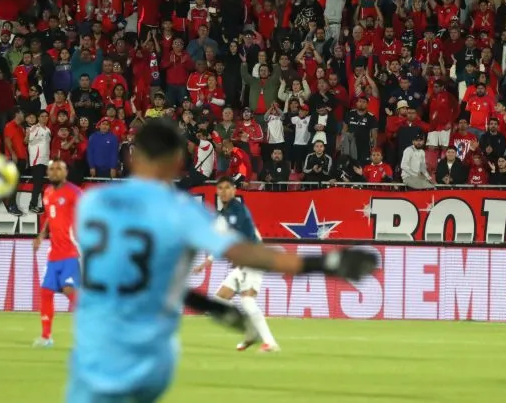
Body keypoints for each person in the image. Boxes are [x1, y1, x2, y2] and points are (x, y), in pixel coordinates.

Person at [67, 119, 376, 403]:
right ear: (177, 160)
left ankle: (260, 336)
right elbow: (242, 252)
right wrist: (323, 264)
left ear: (132, 156)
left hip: (91, 353)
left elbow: (132, 276)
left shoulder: (92, 203)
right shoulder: (181, 210)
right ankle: (260, 336)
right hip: (145, 361)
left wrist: (208, 306)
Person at [194, 176, 278, 352]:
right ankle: (250, 333)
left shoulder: (237, 211)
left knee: (247, 301)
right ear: (216, 191)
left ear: (234, 190)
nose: (224, 191)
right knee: (220, 299)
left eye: (227, 188)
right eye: (220, 188)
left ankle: (269, 342)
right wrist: (206, 262)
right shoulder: (225, 213)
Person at [33, 159, 82, 347]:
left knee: (69, 290)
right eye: (51, 169)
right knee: (46, 292)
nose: (54, 172)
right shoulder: (47, 193)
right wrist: (41, 235)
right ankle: (46, 337)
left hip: (71, 251)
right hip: (54, 253)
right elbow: (49, 217)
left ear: (66, 172)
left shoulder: (74, 192)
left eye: (59, 169)